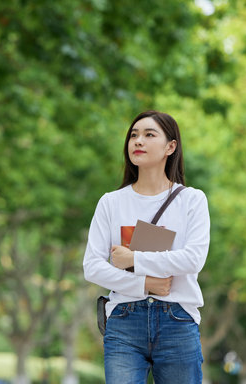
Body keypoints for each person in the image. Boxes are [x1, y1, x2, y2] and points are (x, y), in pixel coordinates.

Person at [83, 110, 210, 383]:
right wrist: (147, 284)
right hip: (125, 320)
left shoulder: (192, 200)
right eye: (133, 135)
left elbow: (193, 259)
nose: (138, 141)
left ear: (170, 146)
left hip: (177, 319)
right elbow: (92, 267)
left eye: (149, 135)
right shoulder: (111, 202)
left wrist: (134, 259)